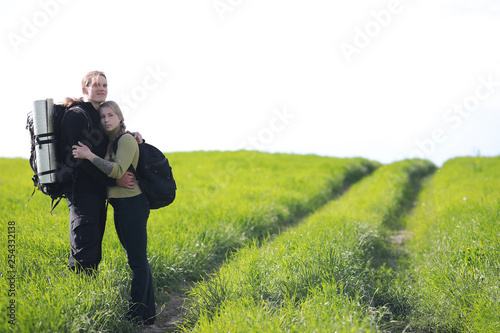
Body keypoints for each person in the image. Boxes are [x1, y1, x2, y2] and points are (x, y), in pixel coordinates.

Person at [72, 101, 156, 325]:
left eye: (111, 115)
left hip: (133, 205)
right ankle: (147, 315)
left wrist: (89, 155)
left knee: (137, 262)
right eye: (102, 117)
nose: (106, 120)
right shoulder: (110, 143)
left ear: (120, 117)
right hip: (122, 206)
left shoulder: (126, 139)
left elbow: (118, 170)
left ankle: (135, 314)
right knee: (137, 261)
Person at [60, 71, 140, 276]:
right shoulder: (77, 116)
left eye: (104, 85)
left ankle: (90, 296)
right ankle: (78, 299)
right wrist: (114, 179)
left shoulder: (97, 116)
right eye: (96, 85)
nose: (101, 88)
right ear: (84, 89)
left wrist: (131, 135)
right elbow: (80, 161)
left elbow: (109, 144)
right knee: (84, 249)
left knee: (94, 249)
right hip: (81, 191)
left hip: (97, 191)